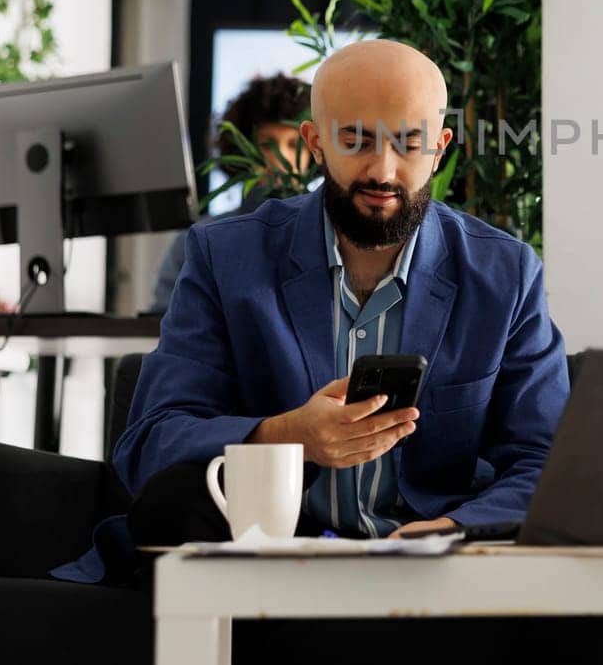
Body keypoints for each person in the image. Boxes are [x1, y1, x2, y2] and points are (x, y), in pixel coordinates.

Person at [115, 38, 569, 541]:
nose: (383, 170)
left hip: (433, 572)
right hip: (270, 560)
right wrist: (287, 437)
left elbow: (545, 459)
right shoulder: (226, 258)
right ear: (316, 143)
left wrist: (452, 529)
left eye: (409, 142)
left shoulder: (505, 274)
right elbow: (151, 444)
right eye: (356, 140)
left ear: (439, 150)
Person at [145, 73, 313, 315]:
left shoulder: (329, 236)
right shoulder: (200, 240)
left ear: (315, 149)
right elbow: (164, 317)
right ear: (243, 149)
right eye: (268, 144)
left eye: (294, 144)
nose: (282, 158)